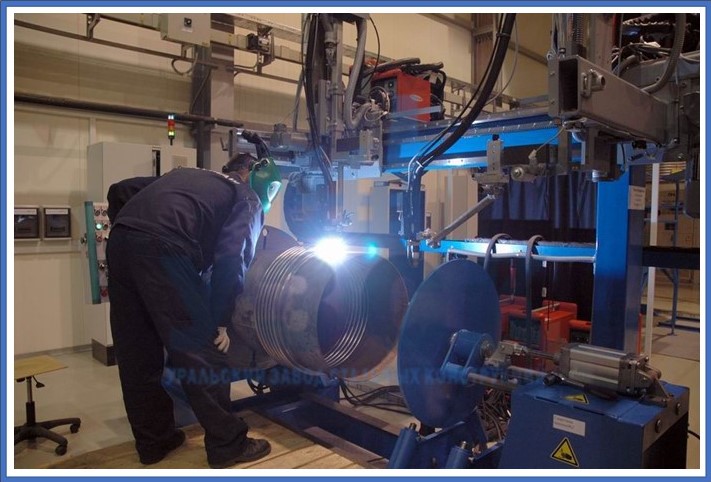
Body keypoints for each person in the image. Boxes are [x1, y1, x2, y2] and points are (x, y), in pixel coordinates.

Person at [106, 151, 282, 468]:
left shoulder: (192, 177)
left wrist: (130, 234)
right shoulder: (247, 197)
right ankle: (228, 445)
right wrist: (221, 320)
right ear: (255, 179)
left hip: (120, 243)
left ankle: (154, 442)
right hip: (164, 247)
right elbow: (233, 259)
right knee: (202, 350)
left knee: (137, 353)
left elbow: (120, 190)